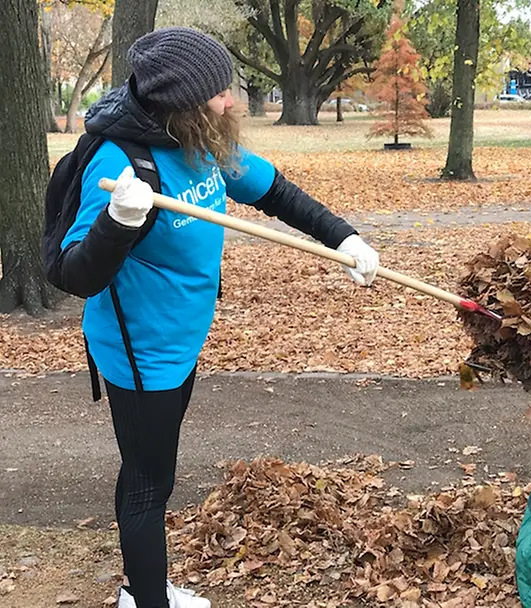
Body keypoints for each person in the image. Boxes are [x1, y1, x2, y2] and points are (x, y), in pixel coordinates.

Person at [52, 28, 380, 608]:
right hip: (141, 355)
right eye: (219, 93)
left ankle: (145, 588)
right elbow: (76, 275)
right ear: (180, 103)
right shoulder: (123, 162)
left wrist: (344, 238)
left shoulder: (200, 138)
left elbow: (276, 192)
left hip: (183, 339)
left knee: (153, 469)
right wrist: (119, 221)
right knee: (149, 484)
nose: (231, 102)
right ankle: (147, 599)